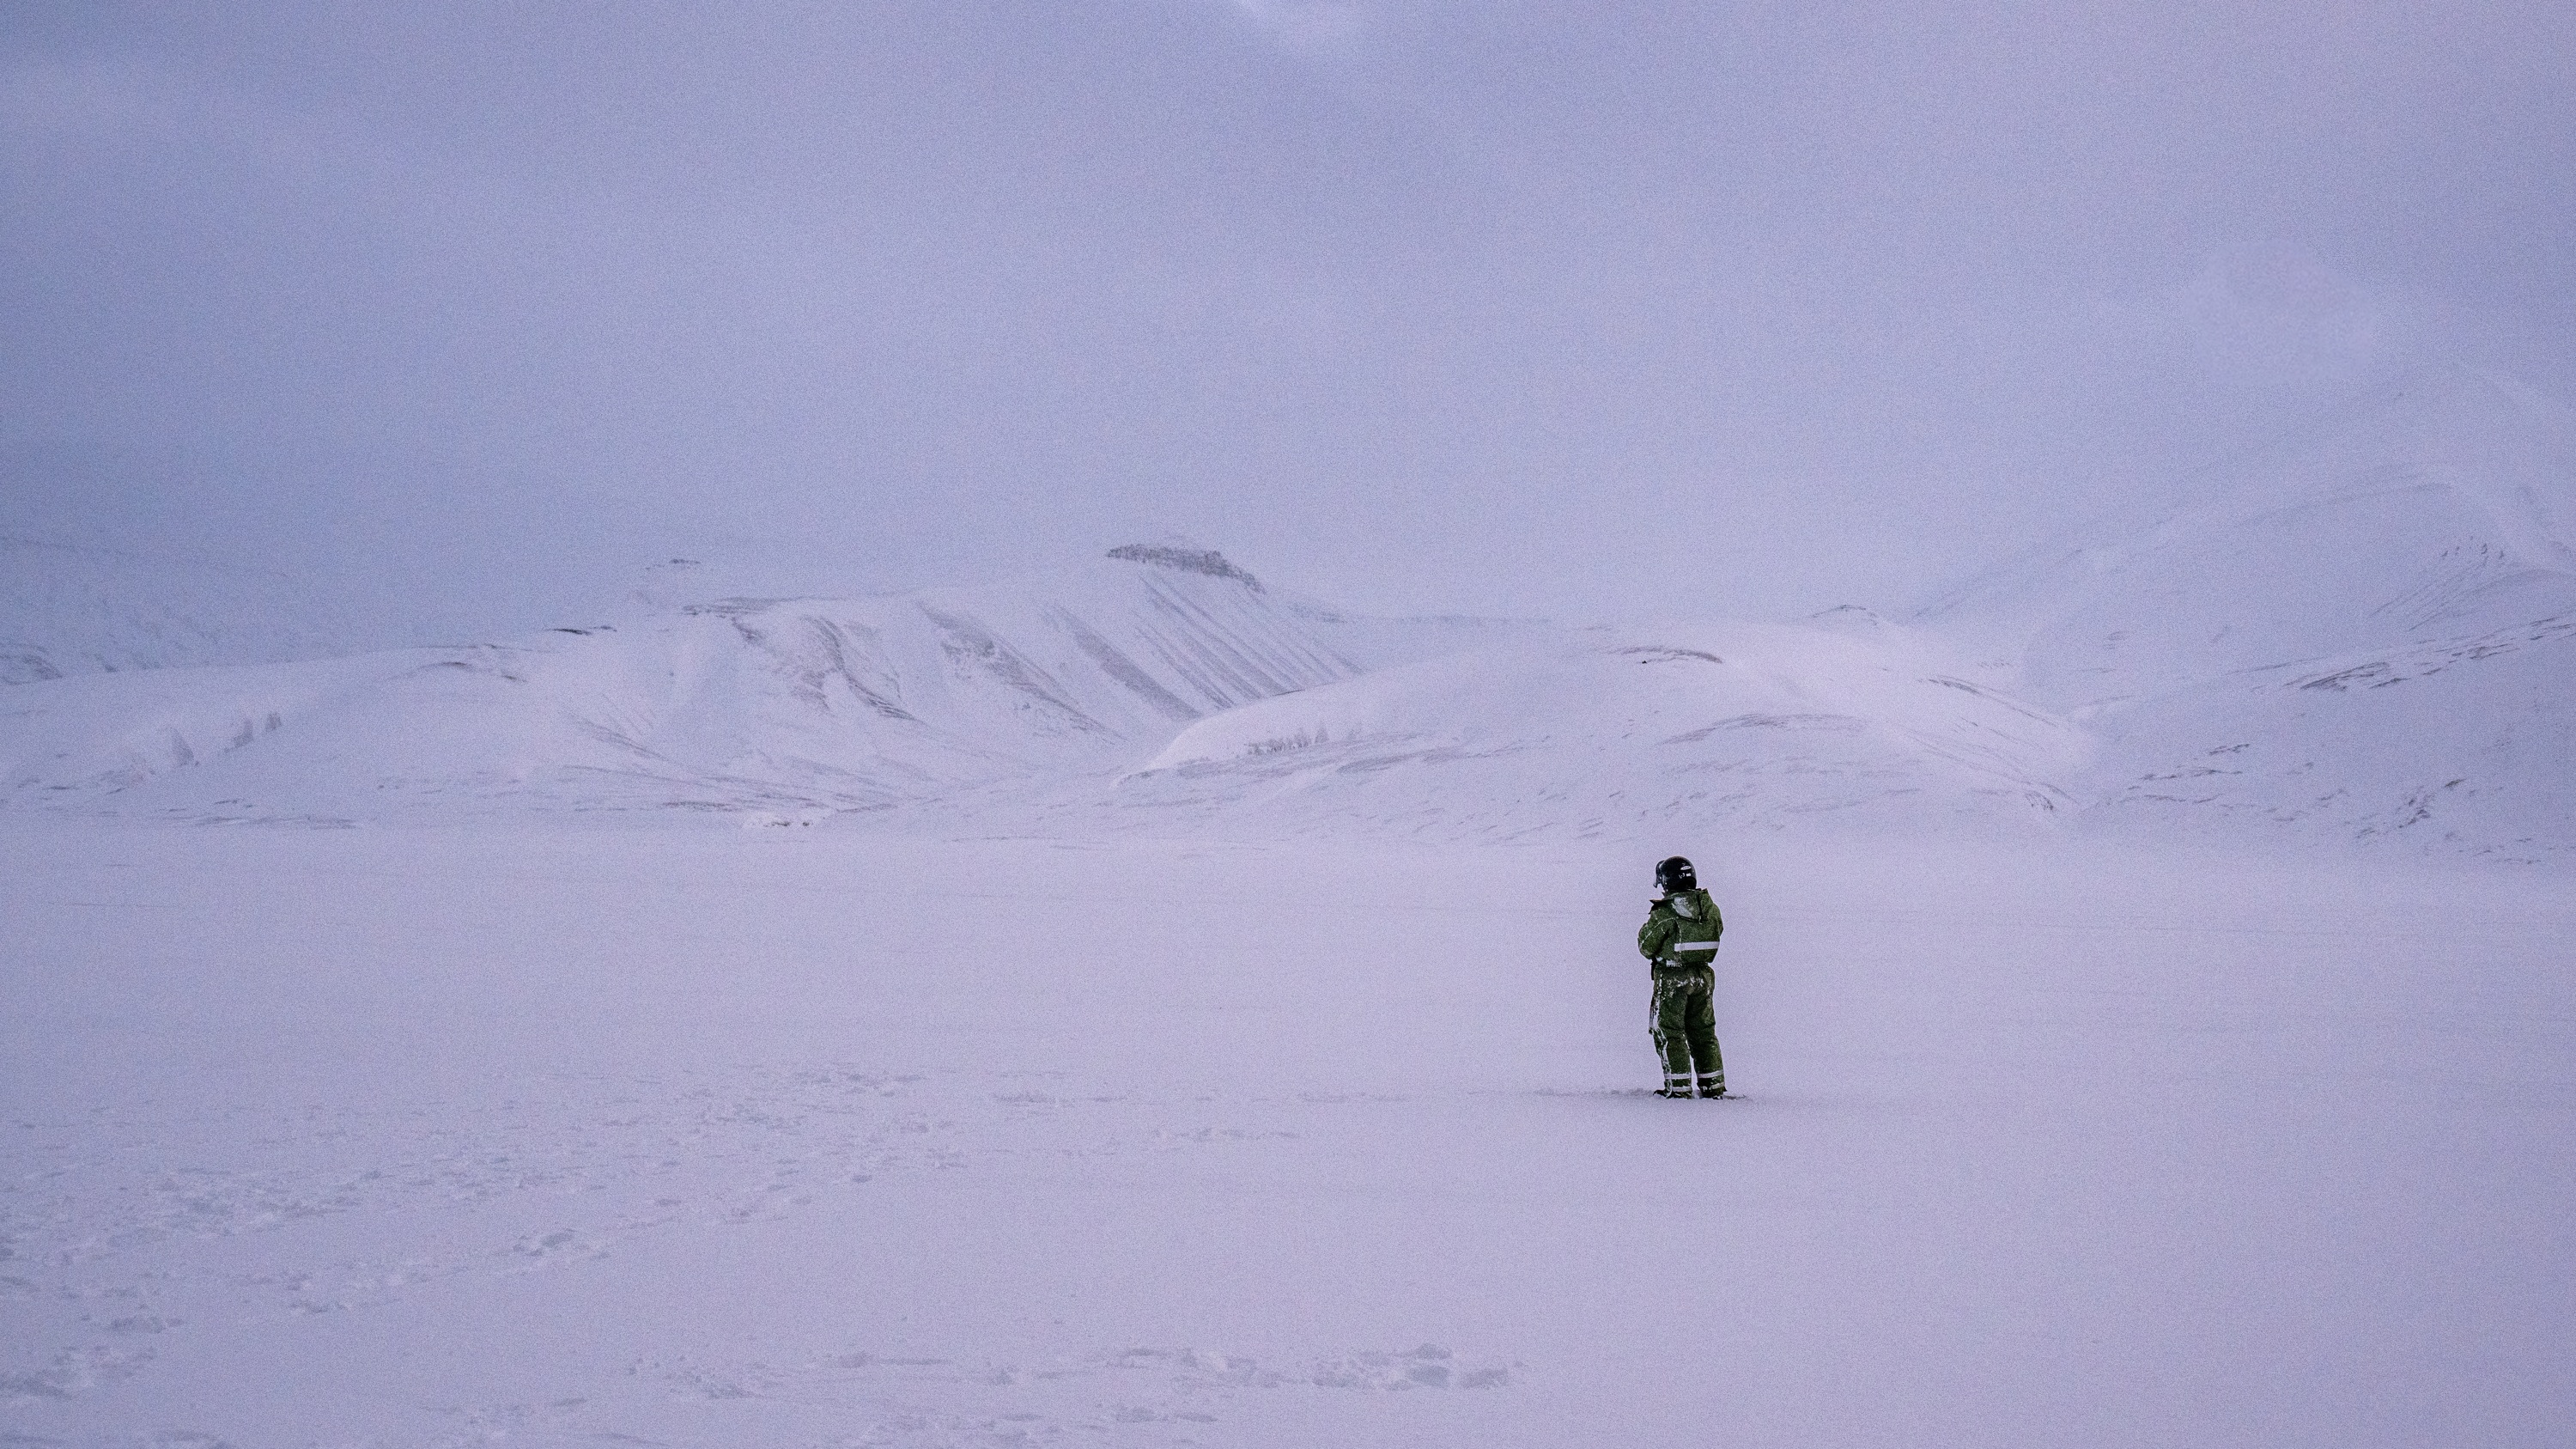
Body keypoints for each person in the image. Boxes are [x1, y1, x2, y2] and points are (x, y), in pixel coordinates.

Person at [1635, 855, 1726, 1099]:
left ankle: (1679, 1089)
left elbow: (1645, 946)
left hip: (1673, 978)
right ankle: (1713, 1086)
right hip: (1703, 977)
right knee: (1704, 1033)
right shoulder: (1709, 907)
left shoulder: (1666, 912)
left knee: (1670, 1032)